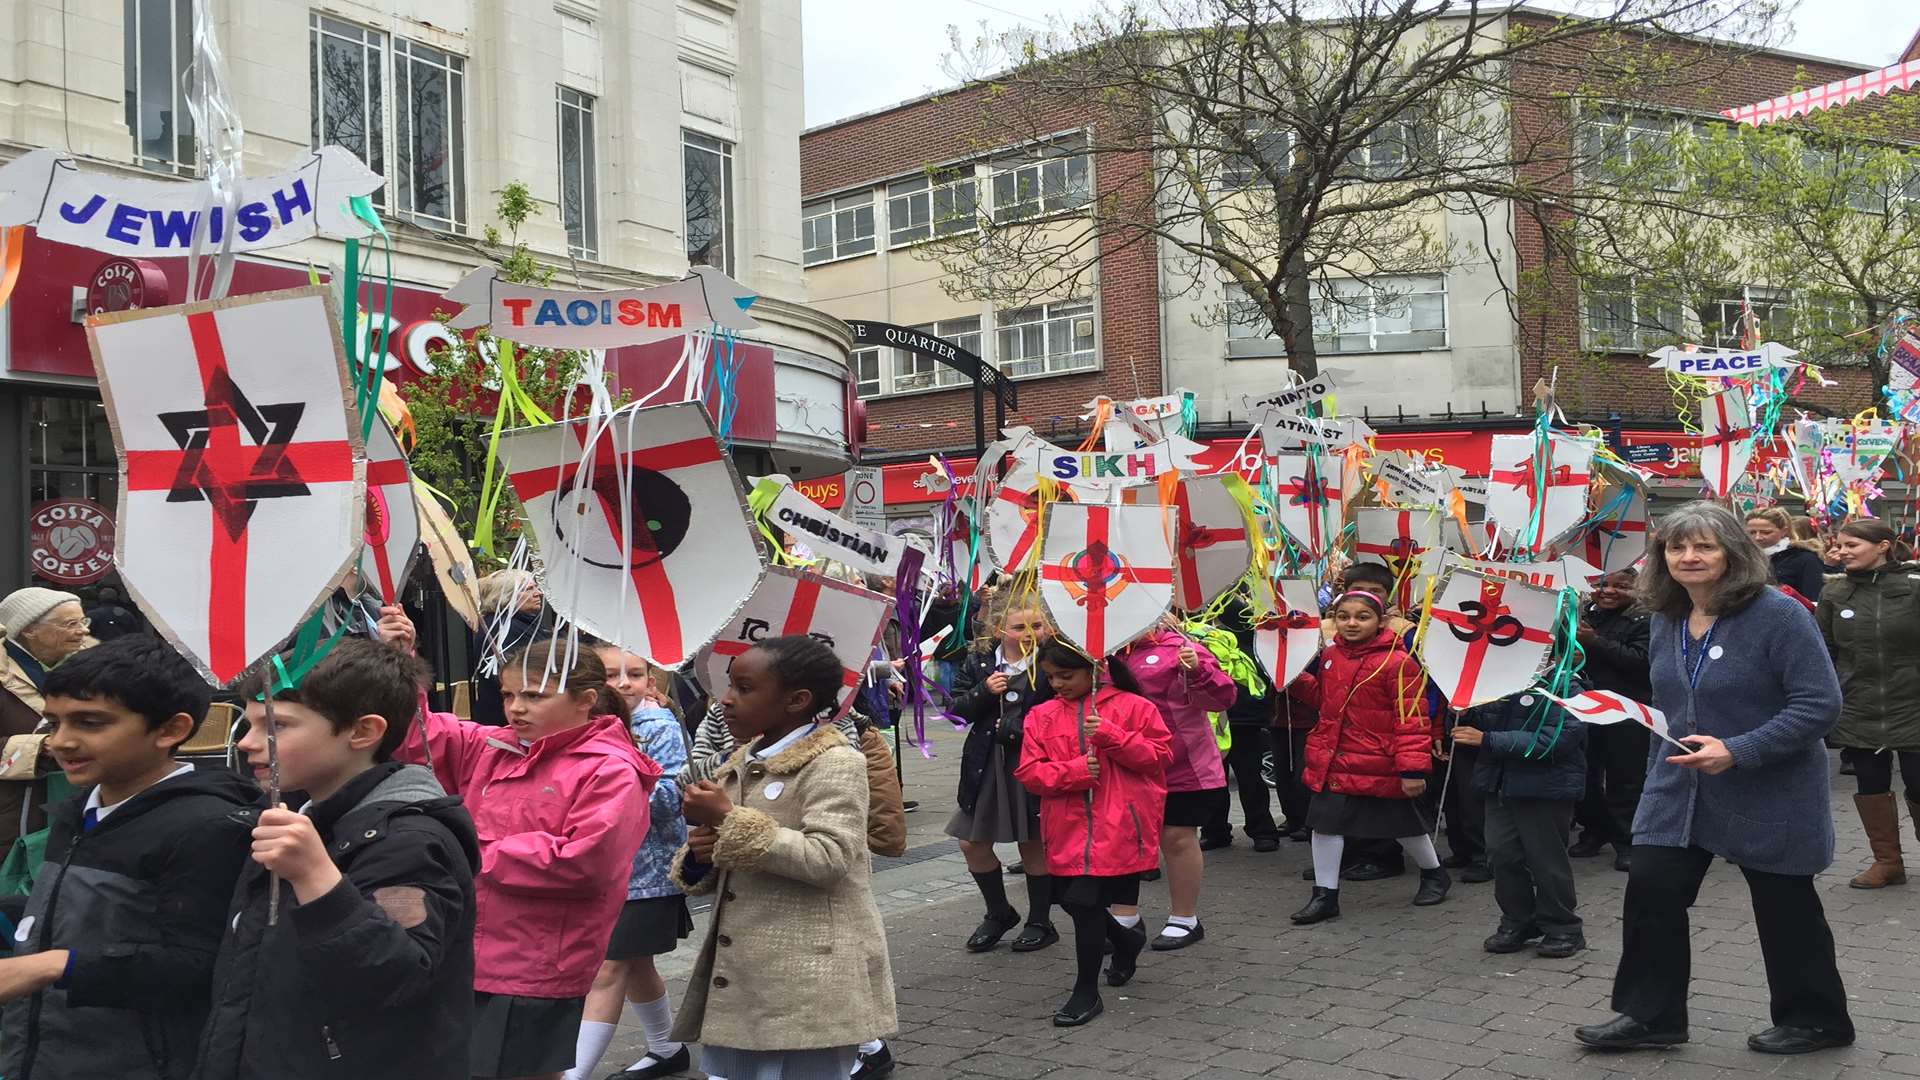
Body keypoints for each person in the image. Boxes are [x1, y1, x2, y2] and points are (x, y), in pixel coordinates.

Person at [1576, 502, 1853, 1056]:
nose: (1689, 556)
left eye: (1704, 545)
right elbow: (1672, 698)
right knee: (1651, 886)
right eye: (1676, 547)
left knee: (1784, 904)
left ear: (1733, 552)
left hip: (1768, 786)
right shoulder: (1667, 618)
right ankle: (1651, 1016)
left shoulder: (1778, 615)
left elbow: (1820, 704)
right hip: (1679, 785)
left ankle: (1817, 1020)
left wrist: (1740, 749)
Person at [197, 639, 479, 1080]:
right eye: (246, 725)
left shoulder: (411, 841)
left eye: (276, 725)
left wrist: (317, 879)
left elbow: (397, 976)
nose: (248, 743)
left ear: (362, 732)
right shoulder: (298, 819)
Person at [0, 636, 256, 1080]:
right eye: (53, 722)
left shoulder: (209, 827)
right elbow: (77, 914)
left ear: (170, 730)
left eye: (90, 723)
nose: (61, 742)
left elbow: (202, 965)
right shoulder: (78, 812)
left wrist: (52, 966)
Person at [401, 637, 658, 1080]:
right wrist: (402, 661)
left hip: (537, 964)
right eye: (508, 695)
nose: (516, 707)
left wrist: (474, 851)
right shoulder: (495, 747)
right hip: (469, 953)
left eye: (534, 695)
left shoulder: (610, 769)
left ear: (586, 701)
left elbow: (585, 862)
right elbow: (418, 736)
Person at [669, 635, 898, 1078]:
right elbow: (727, 851)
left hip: (807, 970)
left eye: (745, 688)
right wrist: (701, 855)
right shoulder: (742, 757)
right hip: (744, 972)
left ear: (796, 700)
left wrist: (729, 818)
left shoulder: (835, 762)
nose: (726, 700)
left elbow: (829, 858)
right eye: (729, 685)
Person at [1013, 641, 1173, 1027]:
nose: (1057, 684)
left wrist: (1113, 736)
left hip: (1120, 825)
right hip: (1067, 828)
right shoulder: (1041, 715)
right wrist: (1076, 772)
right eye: (1050, 677)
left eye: (1065, 676)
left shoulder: (1135, 707)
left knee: (1084, 904)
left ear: (1094, 670)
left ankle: (1086, 990)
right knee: (1073, 901)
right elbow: (1030, 773)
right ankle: (1125, 939)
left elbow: (1159, 758)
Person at [567, 648, 694, 1080]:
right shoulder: (581, 725)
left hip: (647, 874)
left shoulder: (656, 725)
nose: (624, 683)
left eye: (635, 674)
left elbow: (667, 802)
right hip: (604, 872)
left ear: (650, 681)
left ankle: (572, 1073)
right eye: (611, 674)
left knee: (607, 967)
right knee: (636, 962)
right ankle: (666, 1048)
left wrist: (621, 755)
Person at [1288, 590, 1450, 925]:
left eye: (1362, 617)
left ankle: (1434, 874)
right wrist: (1294, 679)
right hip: (1334, 757)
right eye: (1344, 616)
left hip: (1380, 760)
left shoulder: (1398, 662)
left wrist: (1412, 769)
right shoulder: (1331, 656)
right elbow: (1324, 700)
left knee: (1404, 825)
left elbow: (1411, 718)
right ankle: (1325, 895)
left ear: (1381, 621)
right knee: (1324, 825)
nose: (1351, 623)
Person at [1109, 613, 1236, 950]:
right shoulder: (1099, 651)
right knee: (1126, 837)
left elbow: (1222, 698)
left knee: (1177, 838)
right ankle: (1124, 915)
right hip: (1125, 763)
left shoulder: (1180, 647)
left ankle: (1184, 917)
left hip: (1183, 764)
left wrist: (1198, 671)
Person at [946, 596, 1057, 953]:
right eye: (1020, 627)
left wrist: (1018, 728)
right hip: (985, 763)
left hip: (1033, 763)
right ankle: (998, 912)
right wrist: (982, 691)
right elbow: (955, 711)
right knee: (971, 842)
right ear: (999, 630)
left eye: (1036, 626)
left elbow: (1062, 708)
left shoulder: (1052, 660)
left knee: (1032, 842)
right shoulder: (979, 661)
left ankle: (1040, 920)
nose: (1029, 633)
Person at [1814, 519, 1920, 890]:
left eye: (1851, 545)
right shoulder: (1834, 593)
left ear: (1883, 546)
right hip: (1858, 703)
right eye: (1839, 545)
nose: (1841, 552)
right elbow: (1823, 650)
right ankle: (1887, 862)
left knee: (1919, 782)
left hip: (1913, 703)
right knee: (1871, 783)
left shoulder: (1914, 586)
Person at [1456, 687, 1587, 959]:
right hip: (1501, 784)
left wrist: (1488, 739)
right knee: (1501, 854)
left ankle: (1563, 926)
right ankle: (1518, 920)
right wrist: (1464, 713)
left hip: (1545, 788)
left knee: (1546, 859)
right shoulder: (1500, 682)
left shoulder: (1566, 686)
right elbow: (1477, 726)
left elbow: (1557, 739)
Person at [1569, 568, 1651, 872]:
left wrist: (1594, 642)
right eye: (1602, 583)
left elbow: (1641, 662)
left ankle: (1628, 841)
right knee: (1584, 775)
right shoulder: (1584, 614)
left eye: (1621, 586)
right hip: (1586, 706)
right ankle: (1596, 829)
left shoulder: (1647, 618)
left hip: (1627, 708)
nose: (1608, 590)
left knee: (1625, 779)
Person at [1199, 597, 1283, 853]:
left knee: (1241, 778)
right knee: (1230, 779)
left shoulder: (1243, 645)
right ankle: (1236, 830)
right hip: (1226, 720)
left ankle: (1251, 830)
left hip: (1240, 720)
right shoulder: (1252, 644)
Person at [469, 569, 546, 727]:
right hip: (508, 721)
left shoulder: (520, 624)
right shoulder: (503, 629)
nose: (538, 593)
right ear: (507, 596)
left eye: (536, 588)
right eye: (528, 589)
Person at [0, 587, 90, 714]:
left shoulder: (94, 665)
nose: (85, 630)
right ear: (29, 630)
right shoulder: (5, 673)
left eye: (83, 622)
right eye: (71, 624)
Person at [1746, 507, 1826, 602]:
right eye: (1752, 532)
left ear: (1783, 531)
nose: (1757, 537)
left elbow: (1813, 598)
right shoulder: (1741, 558)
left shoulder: (1804, 558)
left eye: (1766, 532)